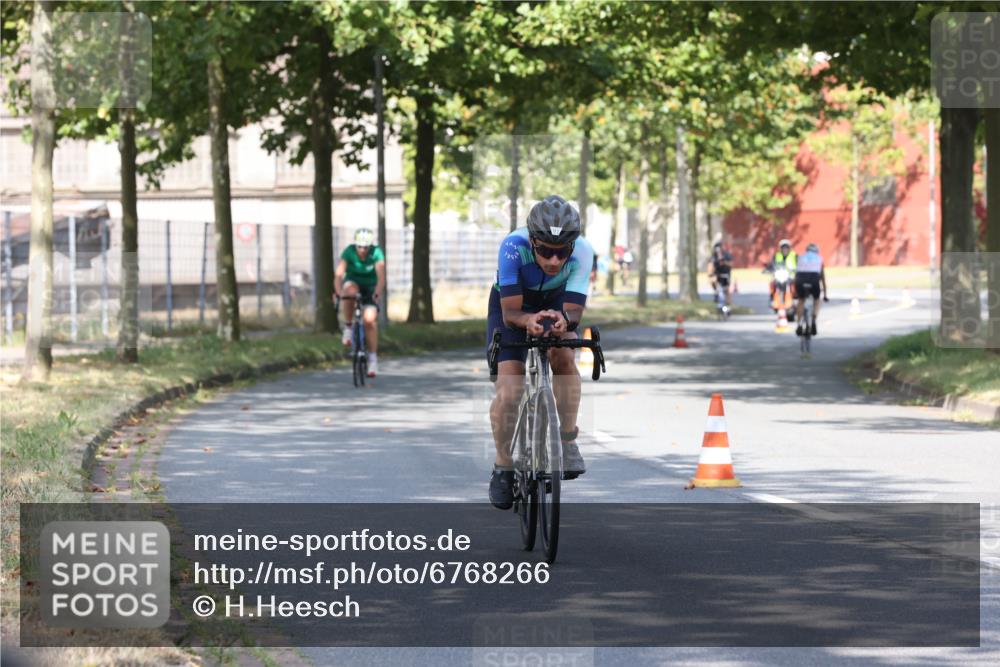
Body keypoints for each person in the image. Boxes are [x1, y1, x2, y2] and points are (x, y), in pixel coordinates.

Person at [487, 195, 594, 510]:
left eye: (562, 253)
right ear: (531, 241)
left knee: (564, 356)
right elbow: (510, 314)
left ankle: (568, 440)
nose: (553, 261)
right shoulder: (512, 247)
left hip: (558, 300)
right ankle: (503, 465)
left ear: (572, 248)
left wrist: (563, 321)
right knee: (510, 391)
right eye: (545, 250)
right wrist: (527, 320)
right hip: (512, 306)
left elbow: (573, 310)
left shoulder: (585, 251)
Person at [334, 228, 386, 377]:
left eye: (365, 247)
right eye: (359, 246)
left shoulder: (376, 253)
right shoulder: (349, 252)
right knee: (349, 293)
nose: (362, 250)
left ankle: (373, 360)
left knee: (369, 320)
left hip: (370, 286)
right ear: (355, 245)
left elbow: (381, 276)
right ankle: (348, 326)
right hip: (353, 282)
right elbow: (338, 275)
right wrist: (338, 292)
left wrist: (377, 293)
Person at [794, 242, 828, 336]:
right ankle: (813, 319)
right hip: (813, 279)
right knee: (817, 299)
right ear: (817, 251)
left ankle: (799, 325)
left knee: (801, 300)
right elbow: (823, 278)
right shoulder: (819, 259)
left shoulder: (801, 257)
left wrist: (795, 292)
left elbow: (796, 276)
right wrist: (825, 294)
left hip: (801, 279)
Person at [707, 241, 733, 306]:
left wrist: (724, 262)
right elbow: (710, 266)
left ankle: (728, 306)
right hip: (717, 274)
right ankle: (716, 293)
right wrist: (711, 272)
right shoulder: (713, 257)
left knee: (726, 290)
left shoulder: (726, 255)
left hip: (725, 274)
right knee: (713, 280)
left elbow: (731, 264)